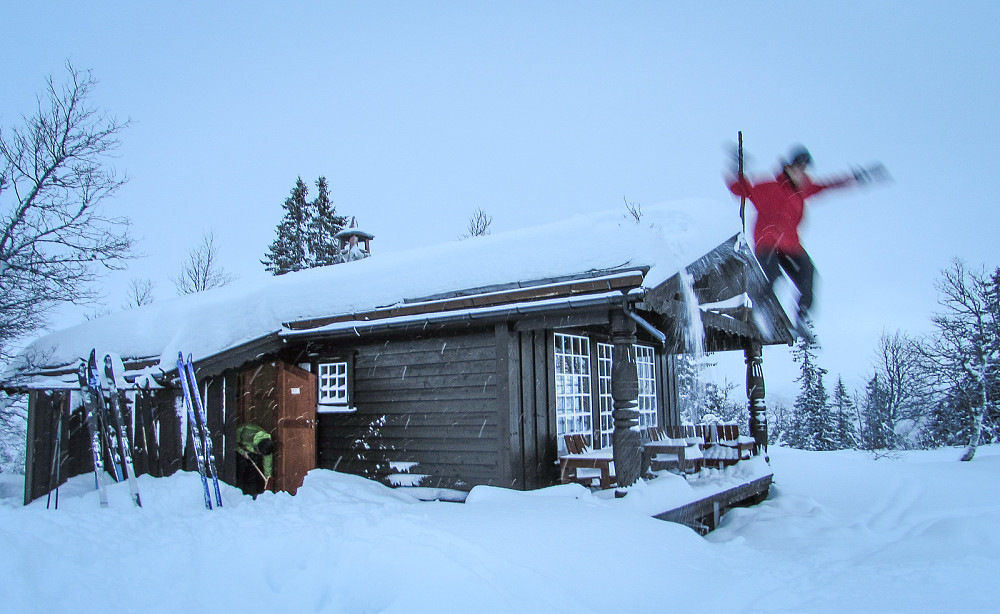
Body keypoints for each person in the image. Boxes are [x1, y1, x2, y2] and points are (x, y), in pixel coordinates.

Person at [727, 145, 884, 338]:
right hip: (767, 242)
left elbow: (831, 185)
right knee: (774, 276)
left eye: (804, 170)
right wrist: (736, 166)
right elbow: (739, 189)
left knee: (808, 274)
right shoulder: (768, 187)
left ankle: (801, 318)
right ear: (788, 167)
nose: (800, 174)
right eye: (797, 168)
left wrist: (857, 178)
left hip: (790, 245)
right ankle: (760, 308)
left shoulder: (803, 190)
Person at [236, 423, 275, 488]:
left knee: (252, 470)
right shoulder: (246, 434)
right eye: (259, 452)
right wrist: (242, 452)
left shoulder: (267, 448)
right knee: (241, 468)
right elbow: (233, 443)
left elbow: (268, 465)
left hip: (249, 450)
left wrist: (268, 477)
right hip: (238, 448)